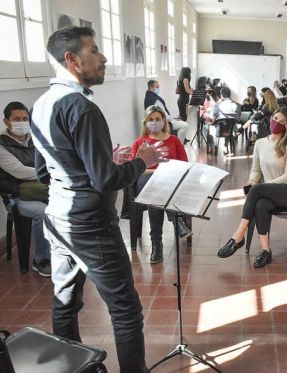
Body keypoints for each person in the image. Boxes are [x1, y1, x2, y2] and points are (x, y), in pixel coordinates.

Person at [31, 26, 164, 372]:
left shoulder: (42, 104)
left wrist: (100, 166)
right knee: (125, 309)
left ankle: (71, 366)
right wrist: (141, 162)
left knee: (65, 302)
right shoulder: (82, 109)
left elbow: (45, 173)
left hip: (58, 219)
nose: (104, 58)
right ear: (72, 60)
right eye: (95, 51)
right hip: (91, 226)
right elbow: (105, 182)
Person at [216, 107, 287, 268]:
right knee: (260, 204)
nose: (277, 122)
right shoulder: (260, 143)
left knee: (257, 190)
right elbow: (256, 170)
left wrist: (261, 186)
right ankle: (266, 250)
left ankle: (238, 236)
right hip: (270, 192)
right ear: (271, 118)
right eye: (276, 118)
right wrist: (252, 181)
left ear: (286, 126)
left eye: (282, 121)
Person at [130, 105, 189, 264]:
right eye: (151, 119)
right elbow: (133, 170)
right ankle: (176, 220)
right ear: (146, 122)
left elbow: (184, 164)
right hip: (144, 181)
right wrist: (155, 171)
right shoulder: (140, 143)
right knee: (154, 186)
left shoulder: (174, 141)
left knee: (156, 193)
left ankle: (157, 243)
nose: (154, 122)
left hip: (169, 182)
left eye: (158, 119)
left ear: (164, 121)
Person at [0, 102, 51, 276]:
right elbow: (19, 171)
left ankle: (66, 252)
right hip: (16, 196)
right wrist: (50, 172)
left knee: (72, 201)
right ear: (7, 122)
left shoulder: (33, 139)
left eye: (25, 119)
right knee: (43, 212)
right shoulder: (1, 145)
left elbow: (49, 159)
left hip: (41, 190)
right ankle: (42, 260)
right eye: (17, 119)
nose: (22, 122)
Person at [144, 79, 189, 144]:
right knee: (185, 125)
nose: (158, 89)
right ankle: (179, 145)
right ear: (151, 88)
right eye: (157, 87)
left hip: (155, 122)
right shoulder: (156, 100)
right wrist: (174, 119)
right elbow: (164, 115)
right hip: (163, 122)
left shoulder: (148, 97)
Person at [211, 86, 241, 154]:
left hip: (220, 131)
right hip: (232, 130)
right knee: (228, 124)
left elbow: (213, 117)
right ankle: (225, 146)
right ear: (230, 94)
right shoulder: (238, 105)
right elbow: (238, 119)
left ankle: (213, 146)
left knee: (215, 125)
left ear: (221, 95)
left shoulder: (218, 105)